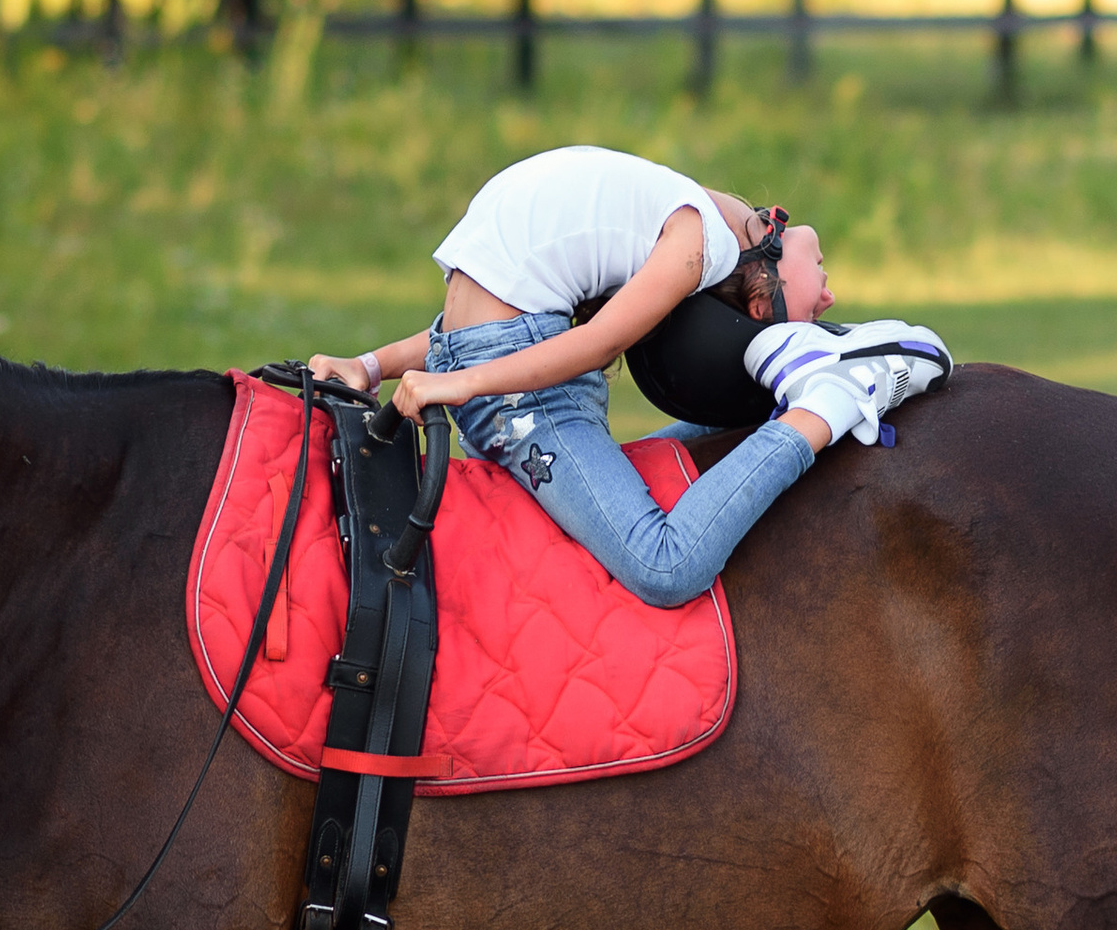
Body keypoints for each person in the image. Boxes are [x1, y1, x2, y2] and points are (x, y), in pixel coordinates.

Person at [306, 144, 941, 608]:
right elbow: (501, 336)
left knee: (664, 566)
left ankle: (824, 406)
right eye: (820, 281)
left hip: (506, 376)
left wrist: (447, 379)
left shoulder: (678, 223)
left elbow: (565, 340)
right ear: (763, 288)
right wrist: (377, 366)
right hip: (499, 366)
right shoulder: (691, 231)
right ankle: (806, 402)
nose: (828, 298)